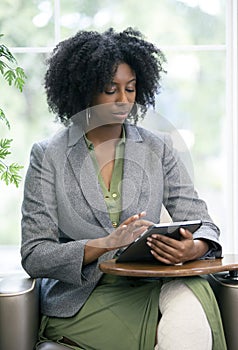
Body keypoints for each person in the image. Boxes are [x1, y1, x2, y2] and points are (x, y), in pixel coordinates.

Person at [21, 27, 227, 350]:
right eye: (110, 89)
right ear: (85, 90)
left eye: (130, 89)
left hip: (152, 283)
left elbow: (204, 224)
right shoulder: (48, 155)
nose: (123, 100)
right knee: (184, 326)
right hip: (84, 299)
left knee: (190, 304)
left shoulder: (159, 148)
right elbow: (35, 255)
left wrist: (194, 248)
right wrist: (104, 244)